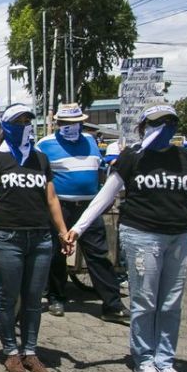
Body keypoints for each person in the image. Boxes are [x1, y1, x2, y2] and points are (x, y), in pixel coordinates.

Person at [67, 104, 187, 372]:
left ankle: (165, 361)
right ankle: (144, 360)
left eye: (171, 123)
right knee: (145, 302)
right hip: (141, 235)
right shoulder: (132, 158)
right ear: (144, 127)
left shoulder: (184, 157)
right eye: (158, 123)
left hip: (179, 237)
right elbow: (105, 196)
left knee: (171, 303)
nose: (165, 127)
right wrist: (78, 228)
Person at [0, 103, 71, 372]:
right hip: (6, 237)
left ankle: (31, 351)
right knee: (6, 297)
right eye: (19, 120)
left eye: (28, 119)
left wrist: (63, 231)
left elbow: (51, 199)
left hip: (39, 238)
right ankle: (11, 352)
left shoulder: (40, 160)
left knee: (34, 298)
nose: (25, 124)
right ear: (7, 126)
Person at [35, 103, 128, 323]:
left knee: (98, 254)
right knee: (56, 253)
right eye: (66, 123)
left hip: (89, 208)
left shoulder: (90, 141)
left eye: (75, 123)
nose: (71, 127)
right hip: (60, 207)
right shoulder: (44, 145)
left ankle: (112, 305)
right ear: (57, 123)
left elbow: (99, 171)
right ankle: (56, 296)